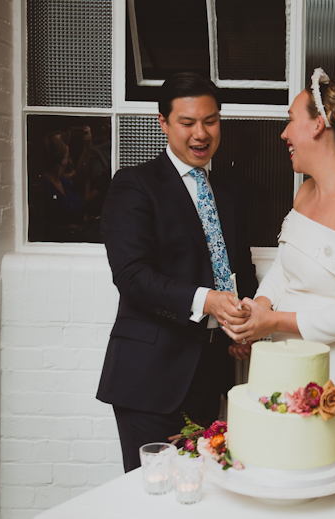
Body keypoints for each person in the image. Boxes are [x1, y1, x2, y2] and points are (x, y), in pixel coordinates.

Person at [223, 69, 335, 436]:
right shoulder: (305, 193)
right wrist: (259, 308)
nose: (284, 133)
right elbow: (285, 267)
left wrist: (274, 323)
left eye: (292, 121)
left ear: (318, 125)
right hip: (295, 363)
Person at [97, 72, 258, 472]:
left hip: (210, 375)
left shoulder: (231, 192)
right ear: (163, 123)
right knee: (152, 497)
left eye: (211, 120)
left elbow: (238, 269)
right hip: (150, 380)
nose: (200, 133)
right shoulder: (134, 185)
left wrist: (244, 322)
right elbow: (132, 276)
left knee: (201, 493)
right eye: (187, 123)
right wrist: (208, 301)